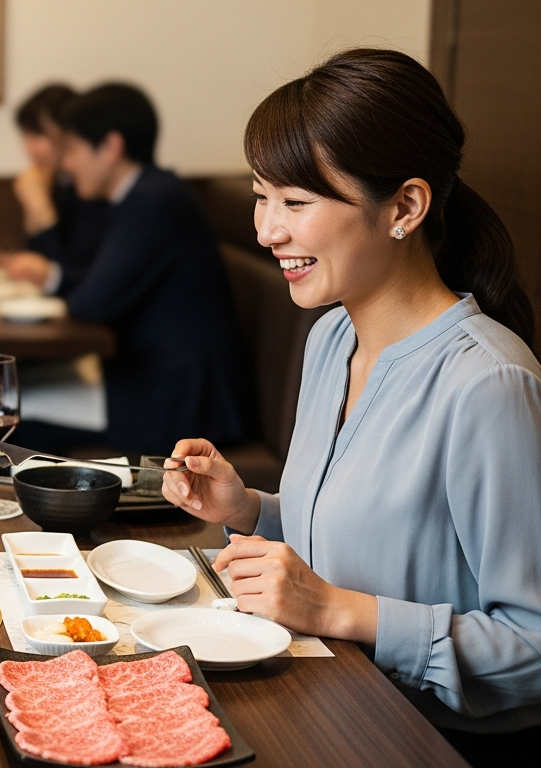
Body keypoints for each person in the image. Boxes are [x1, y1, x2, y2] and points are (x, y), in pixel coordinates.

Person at [163, 49, 541, 759]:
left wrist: (336, 609)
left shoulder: (488, 385)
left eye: (296, 203)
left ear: (404, 207)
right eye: (260, 195)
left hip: (429, 741)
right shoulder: (332, 336)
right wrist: (248, 511)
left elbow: (534, 647)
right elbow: (362, 539)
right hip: (326, 698)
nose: (266, 229)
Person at [13, 84, 252, 455]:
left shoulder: (150, 204)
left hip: (179, 403)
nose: (68, 164)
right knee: (13, 393)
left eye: (73, 150)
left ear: (111, 146)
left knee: (7, 409)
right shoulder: (149, 193)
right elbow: (102, 286)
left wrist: (58, 276)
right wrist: (55, 277)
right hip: (159, 380)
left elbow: (90, 305)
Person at [3, 83, 108, 295]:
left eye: (38, 135)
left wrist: (40, 210)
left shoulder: (95, 189)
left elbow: (70, 276)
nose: (29, 148)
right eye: (25, 136)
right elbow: (40, 265)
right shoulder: (61, 183)